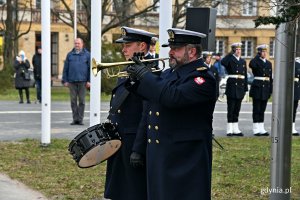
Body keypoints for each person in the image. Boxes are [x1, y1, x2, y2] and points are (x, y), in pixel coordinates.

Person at [126, 28, 217, 200]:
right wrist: (135, 79)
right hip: (162, 154)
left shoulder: (202, 78)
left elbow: (172, 97)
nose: (171, 52)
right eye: (171, 48)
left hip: (185, 157)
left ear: (191, 51)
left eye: (176, 48)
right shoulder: (170, 73)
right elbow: (152, 99)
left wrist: (146, 76)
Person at [104, 26, 157, 200]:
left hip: (134, 140)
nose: (123, 49)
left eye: (128, 45)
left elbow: (146, 113)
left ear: (142, 46)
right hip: (121, 138)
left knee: (134, 191)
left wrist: (138, 149)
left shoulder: (151, 71)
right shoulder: (128, 67)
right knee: (121, 191)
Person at [62, 38, 90, 125]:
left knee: (82, 101)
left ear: (82, 44)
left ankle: (80, 119)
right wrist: (65, 80)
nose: (77, 45)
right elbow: (65, 68)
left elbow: (90, 69)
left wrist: (89, 81)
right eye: (75, 43)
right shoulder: (70, 55)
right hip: (72, 81)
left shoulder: (87, 55)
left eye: (78, 43)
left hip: (83, 81)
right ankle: (75, 119)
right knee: (73, 101)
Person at [221, 42, 248, 136]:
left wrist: (245, 88)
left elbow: (245, 75)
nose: (238, 51)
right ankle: (229, 129)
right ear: (233, 50)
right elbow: (223, 62)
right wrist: (229, 54)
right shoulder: (230, 59)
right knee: (231, 109)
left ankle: (236, 128)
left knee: (237, 109)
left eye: (240, 49)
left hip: (240, 87)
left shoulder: (243, 61)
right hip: (232, 86)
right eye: (236, 49)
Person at [249, 44, 272, 136]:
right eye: (262, 51)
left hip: (265, 87)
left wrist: (270, 89)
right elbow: (251, 64)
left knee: (262, 109)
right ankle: (255, 128)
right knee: (256, 109)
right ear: (259, 52)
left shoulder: (269, 63)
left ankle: (261, 127)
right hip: (257, 87)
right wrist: (257, 57)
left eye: (265, 51)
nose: (264, 53)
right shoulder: (255, 61)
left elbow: (270, 78)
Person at [292, 57, 300, 136]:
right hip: (290, 89)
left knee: (294, 110)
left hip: (296, 89)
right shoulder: (295, 63)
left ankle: (292, 127)